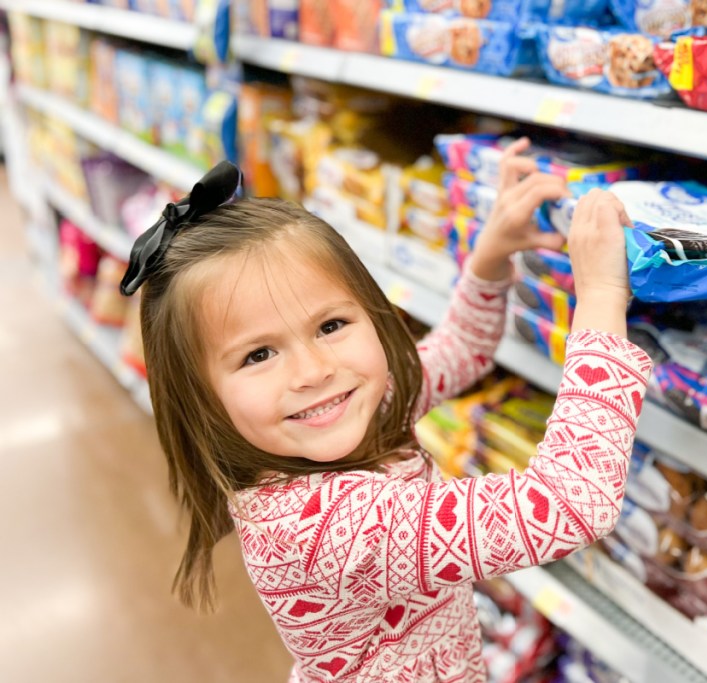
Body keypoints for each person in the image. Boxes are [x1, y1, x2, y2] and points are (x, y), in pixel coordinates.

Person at [123, 139, 652, 682]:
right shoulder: (323, 528)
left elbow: (458, 352)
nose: (314, 371)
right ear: (201, 396)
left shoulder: (354, 415)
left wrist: (490, 255)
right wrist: (602, 295)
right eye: (259, 354)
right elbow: (567, 505)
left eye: (331, 326)